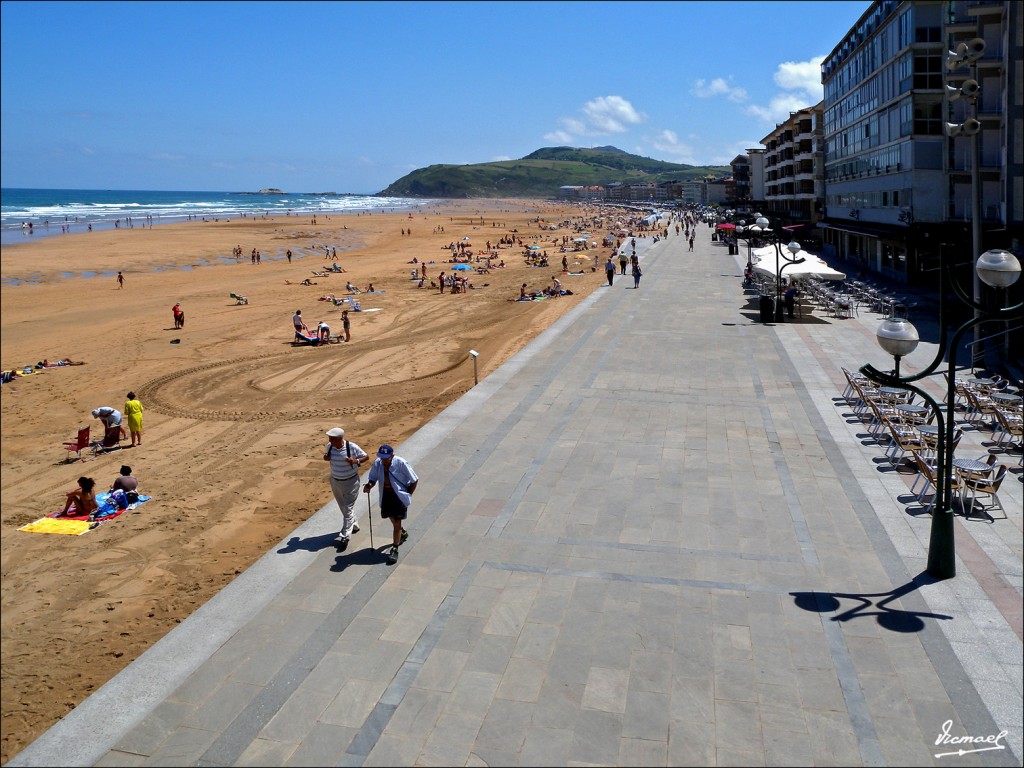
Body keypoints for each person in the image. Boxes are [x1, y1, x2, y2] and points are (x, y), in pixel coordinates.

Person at [363, 444, 418, 565]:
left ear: (392, 456)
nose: (383, 460)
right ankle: (402, 532)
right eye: (381, 457)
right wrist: (369, 486)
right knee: (391, 517)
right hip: (386, 495)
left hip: (399, 496)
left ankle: (395, 548)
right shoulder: (378, 463)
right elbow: (373, 477)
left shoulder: (401, 463)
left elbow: (414, 480)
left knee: (397, 522)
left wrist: (408, 495)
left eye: (386, 458)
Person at [324, 427, 368, 551]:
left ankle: (345, 536)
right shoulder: (330, 446)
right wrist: (326, 458)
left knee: (348, 508)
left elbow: (366, 457)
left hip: (351, 482)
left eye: (332, 439)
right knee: (343, 506)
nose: (330, 441)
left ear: (339, 438)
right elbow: (326, 456)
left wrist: (355, 460)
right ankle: (354, 525)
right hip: (335, 481)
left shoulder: (352, 447)